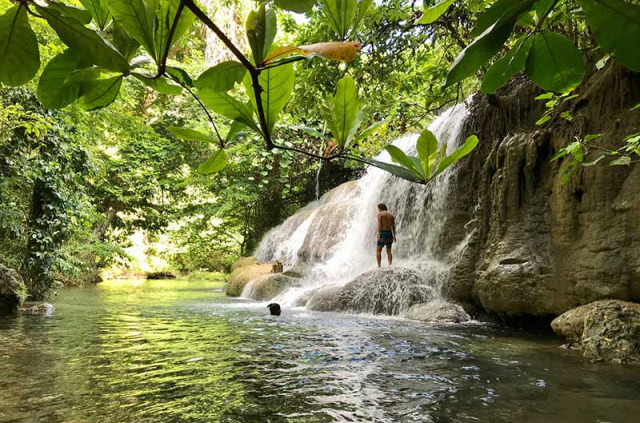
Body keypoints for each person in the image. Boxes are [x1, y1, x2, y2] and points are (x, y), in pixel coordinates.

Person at [376, 203, 396, 267]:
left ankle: (379, 266)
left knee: (378, 250)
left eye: (378, 209)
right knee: (389, 251)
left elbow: (380, 224)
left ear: (380, 208)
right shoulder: (391, 215)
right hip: (389, 233)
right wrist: (394, 236)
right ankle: (390, 265)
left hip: (383, 233)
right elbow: (393, 226)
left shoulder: (380, 214)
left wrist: (379, 233)